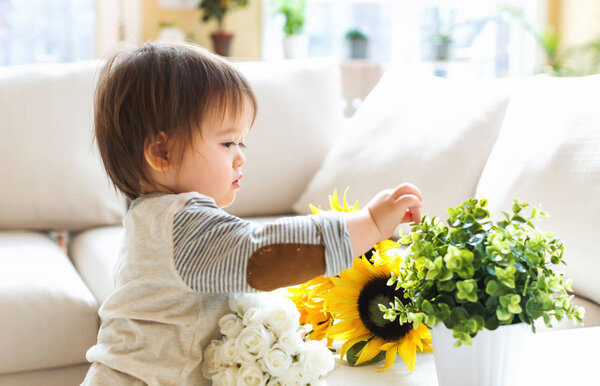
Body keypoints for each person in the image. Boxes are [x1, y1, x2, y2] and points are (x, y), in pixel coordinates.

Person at [82, 42, 423, 385]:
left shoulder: (151, 217)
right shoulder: (183, 222)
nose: (240, 156)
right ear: (162, 152)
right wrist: (370, 224)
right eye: (228, 143)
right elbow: (263, 254)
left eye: (241, 143)